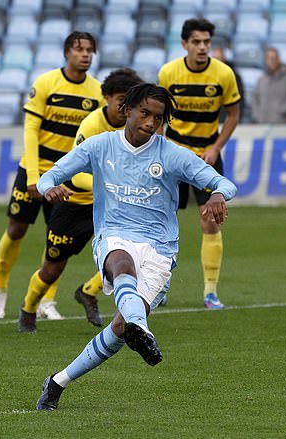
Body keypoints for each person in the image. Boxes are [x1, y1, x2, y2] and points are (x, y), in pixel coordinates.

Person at [33, 83, 237, 410]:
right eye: (144, 113)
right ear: (127, 110)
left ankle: (58, 381)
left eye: (158, 117)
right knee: (120, 262)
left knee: (118, 328)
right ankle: (141, 328)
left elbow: (224, 183)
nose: (150, 122)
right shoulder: (100, 146)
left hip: (159, 249)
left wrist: (216, 195)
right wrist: (49, 188)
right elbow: (51, 174)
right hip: (113, 235)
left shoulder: (171, 154)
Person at [0, 31, 104, 321]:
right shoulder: (45, 83)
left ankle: (46, 301)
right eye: (79, 49)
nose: (85, 54)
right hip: (34, 169)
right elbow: (30, 130)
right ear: (67, 52)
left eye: (90, 49)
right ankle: (0, 290)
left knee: (55, 238)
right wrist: (33, 175)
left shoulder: (98, 92)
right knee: (16, 230)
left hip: (66, 175)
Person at [17, 68, 144, 332]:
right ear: (106, 97)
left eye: (131, 100)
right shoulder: (92, 125)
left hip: (112, 206)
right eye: (121, 98)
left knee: (131, 257)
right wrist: (108, 185)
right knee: (51, 269)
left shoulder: (139, 128)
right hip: (76, 203)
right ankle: (29, 308)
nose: (125, 106)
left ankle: (89, 292)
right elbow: (75, 174)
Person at [157, 18, 241, 309]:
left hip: (207, 158)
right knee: (161, 222)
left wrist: (216, 148)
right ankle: (160, 285)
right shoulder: (169, 73)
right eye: (197, 42)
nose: (203, 47)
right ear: (185, 44)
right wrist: (158, 150)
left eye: (207, 42)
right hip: (173, 156)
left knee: (210, 221)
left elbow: (232, 114)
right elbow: (158, 115)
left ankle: (210, 292)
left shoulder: (223, 74)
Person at [250, 47, 286, 124]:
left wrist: (282, 111)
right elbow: (255, 98)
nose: (271, 61)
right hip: (263, 123)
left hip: (282, 123)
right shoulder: (261, 80)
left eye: (273, 58)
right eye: (269, 59)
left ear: (278, 59)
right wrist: (257, 115)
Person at [211, 45, 244, 122]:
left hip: (228, 119)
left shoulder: (234, 76)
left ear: (224, 59)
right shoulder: (205, 76)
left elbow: (239, 100)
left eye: (219, 59)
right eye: (215, 59)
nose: (217, 62)